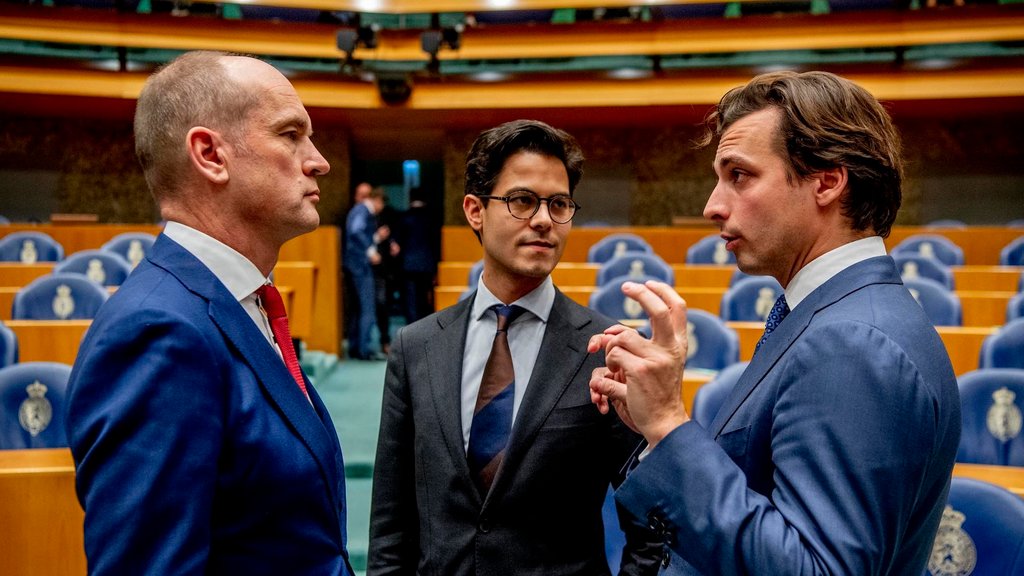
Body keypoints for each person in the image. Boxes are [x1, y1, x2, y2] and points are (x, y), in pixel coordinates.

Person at [589, 70, 961, 574]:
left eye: (739, 175)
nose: (712, 206)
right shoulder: (839, 315)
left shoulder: (852, 343)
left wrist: (669, 425)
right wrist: (658, 437)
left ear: (826, 181)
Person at [65, 51, 354, 575]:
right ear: (210, 154)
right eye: (290, 134)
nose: (319, 161)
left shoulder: (239, 302)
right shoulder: (159, 333)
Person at [369, 119, 662, 575]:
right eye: (522, 200)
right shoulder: (416, 347)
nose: (544, 220)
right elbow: (392, 525)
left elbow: (652, 524)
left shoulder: (607, 348)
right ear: (475, 210)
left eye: (559, 204)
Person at [344, 184, 385, 360]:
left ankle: (356, 347)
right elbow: (356, 231)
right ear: (377, 200)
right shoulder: (364, 211)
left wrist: (376, 238)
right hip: (360, 265)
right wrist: (370, 250)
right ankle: (364, 349)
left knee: (357, 308)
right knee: (367, 307)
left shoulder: (358, 210)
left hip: (354, 265)